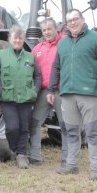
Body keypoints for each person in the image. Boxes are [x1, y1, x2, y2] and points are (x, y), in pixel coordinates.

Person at [47, 9, 97, 181]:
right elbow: (56, 67)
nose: (72, 23)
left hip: (88, 93)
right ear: (66, 25)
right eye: (69, 21)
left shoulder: (96, 38)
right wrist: (51, 89)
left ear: (82, 19)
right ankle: (72, 165)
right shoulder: (62, 43)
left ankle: (96, 168)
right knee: (71, 131)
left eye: (75, 19)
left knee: (91, 132)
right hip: (67, 94)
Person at [0, 25, 41, 169]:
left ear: (23, 39)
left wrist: (35, 91)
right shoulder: (0, 55)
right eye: (15, 38)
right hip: (8, 99)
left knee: (24, 128)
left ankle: (21, 155)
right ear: (10, 39)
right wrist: (1, 90)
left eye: (20, 38)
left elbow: (38, 75)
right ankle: (14, 148)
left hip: (26, 99)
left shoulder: (30, 57)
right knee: (12, 128)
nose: (18, 40)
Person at [29, 18, 68, 167]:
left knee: (66, 124)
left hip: (61, 91)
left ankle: (67, 157)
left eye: (49, 29)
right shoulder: (38, 48)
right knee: (34, 122)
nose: (47, 32)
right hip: (44, 91)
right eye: (44, 30)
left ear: (56, 28)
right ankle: (35, 156)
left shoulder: (64, 44)